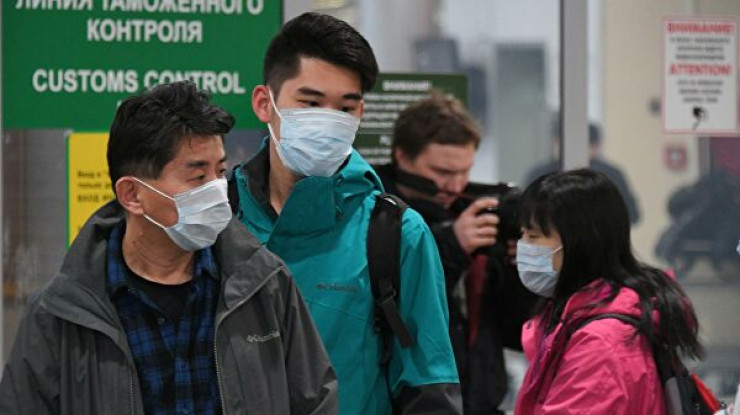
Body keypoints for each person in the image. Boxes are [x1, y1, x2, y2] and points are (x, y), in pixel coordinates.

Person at [0, 81, 337, 415]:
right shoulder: (61, 313)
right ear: (132, 195)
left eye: (220, 171)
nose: (218, 190)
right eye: (198, 177)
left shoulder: (264, 286)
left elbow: (316, 402)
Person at [230, 12, 461, 415]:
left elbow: (430, 389)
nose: (329, 121)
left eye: (345, 108)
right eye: (310, 103)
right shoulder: (221, 218)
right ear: (264, 103)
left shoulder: (395, 233)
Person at [375, 93, 540, 415]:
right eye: (442, 172)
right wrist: (451, 245)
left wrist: (520, 269)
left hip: (479, 400)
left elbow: (516, 330)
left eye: (465, 172)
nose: (455, 186)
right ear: (402, 157)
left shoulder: (470, 211)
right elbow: (395, 313)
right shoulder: (373, 213)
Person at [514, 169, 704, 415]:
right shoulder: (576, 315)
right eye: (522, 235)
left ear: (579, 241)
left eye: (534, 236)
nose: (522, 247)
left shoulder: (601, 342)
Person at [524, 121, 640, 224]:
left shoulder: (609, 175)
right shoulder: (540, 174)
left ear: (595, 147)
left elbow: (632, 214)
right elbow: (525, 213)